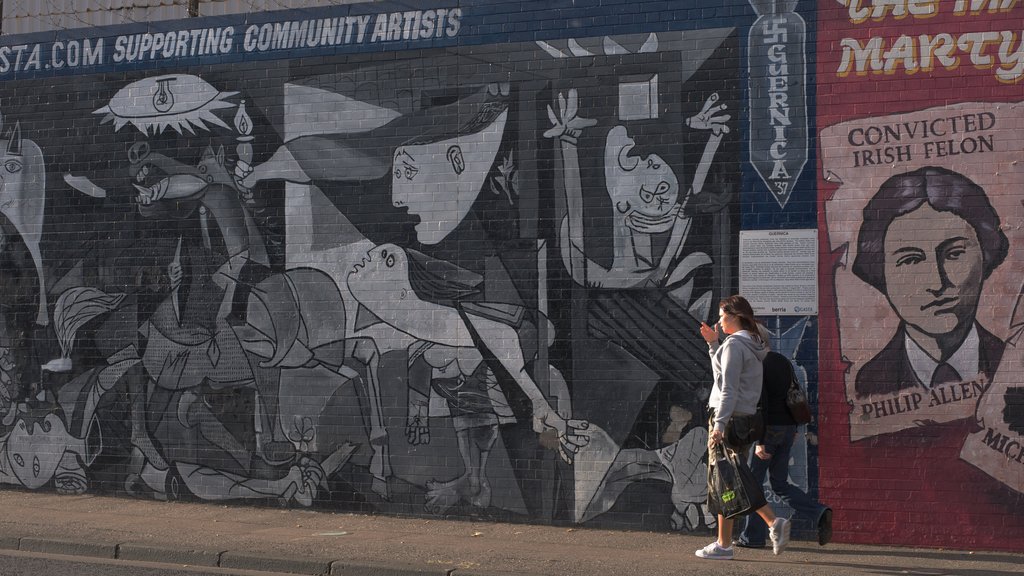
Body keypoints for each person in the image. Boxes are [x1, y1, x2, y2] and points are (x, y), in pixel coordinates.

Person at [851, 166, 1008, 398]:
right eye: (911, 260)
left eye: (954, 254)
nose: (936, 282)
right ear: (880, 273)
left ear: (985, 257)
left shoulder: (1010, 365)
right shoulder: (868, 384)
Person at [695, 295, 790, 560]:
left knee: (732, 479)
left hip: (729, 419)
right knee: (727, 479)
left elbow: (728, 389)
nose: (718, 321)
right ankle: (723, 544)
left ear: (735, 317)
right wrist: (713, 343)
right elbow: (723, 377)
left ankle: (773, 523)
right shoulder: (751, 343)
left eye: (723, 316)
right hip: (745, 419)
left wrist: (719, 425)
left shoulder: (735, 346)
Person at [736, 344, 832, 548]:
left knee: (752, 484)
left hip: (769, 431)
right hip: (787, 429)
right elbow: (794, 393)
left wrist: (761, 441)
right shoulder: (782, 361)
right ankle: (818, 512)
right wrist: (794, 427)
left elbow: (763, 404)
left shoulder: (757, 364)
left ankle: (752, 537)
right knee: (779, 483)